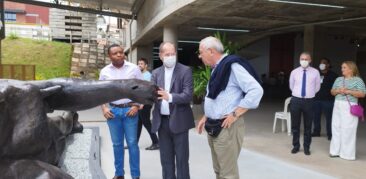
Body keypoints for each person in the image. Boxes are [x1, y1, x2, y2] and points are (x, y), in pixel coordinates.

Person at [197, 36, 263, 179]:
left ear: (211, 51)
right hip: (213, 125)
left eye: (201, 52)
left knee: (228, 174)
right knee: (219, 170)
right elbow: (216, 97)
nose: (199, 56)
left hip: (227, 128)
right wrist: (206, 116)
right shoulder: (218, 68)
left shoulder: (232, 66)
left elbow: (256, 90)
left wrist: (236, 113)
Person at [151, 42, 195, 179]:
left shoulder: (185, 70)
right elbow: (151, 94)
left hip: (180, 122)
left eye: (173, 54)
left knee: (182, 160)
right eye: (167, 54)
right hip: (162, 123)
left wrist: (169, 97)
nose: (171, 56)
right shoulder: (156, 73)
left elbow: (188, 95)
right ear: (161, 56)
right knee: (166, 160)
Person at [99, 44, 142, 179]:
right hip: (113, 112)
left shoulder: (134, 69)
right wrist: (104, 108)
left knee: (132, 144)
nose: (119, 55)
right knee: (117, 144)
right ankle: (119, 174)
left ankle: (135, 175)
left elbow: (142, 89)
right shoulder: (105, 71)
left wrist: (136, 106)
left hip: (130, 111)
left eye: (121, 52)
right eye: (115, 53)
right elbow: (98, 92)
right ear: (109, 56)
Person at [329, 61, 366, 160]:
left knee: (348, 129)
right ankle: (334, 151)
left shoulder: (358, 80)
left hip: (349, 106)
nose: (342, 69)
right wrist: (338, 90)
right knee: (336, 127)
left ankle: (347, 154)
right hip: (337, 105)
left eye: (344, 67)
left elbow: (362, 94)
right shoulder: (338, 79)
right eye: (342, 67)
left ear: (351, 69)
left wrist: (348, 91)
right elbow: (332, 91)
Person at [289, 52, 321, 155]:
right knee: (295, 125)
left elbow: (317, 87)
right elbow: (291, 86)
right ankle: (296, 146)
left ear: (310, 60)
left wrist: (308, 94)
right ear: (299, 60)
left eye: (306, 59)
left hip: (309, 101)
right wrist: (298, 94)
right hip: (296, 100)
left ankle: (306, 147)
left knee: (308, 126)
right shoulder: (294, 72)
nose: (304, 61)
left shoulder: (315, 72)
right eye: (302, 59)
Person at [312, 58, 338, 140]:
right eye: (321, 63)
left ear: (328, 65)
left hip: (328, 100)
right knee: (316, 117)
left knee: (329, 118)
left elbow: (336, 88)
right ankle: (316, 132)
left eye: (324, 63)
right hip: (316, 99)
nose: (322, 64)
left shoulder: (334, 75)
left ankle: (330, 134)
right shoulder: (316, 74)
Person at [137, 57, 159, 150]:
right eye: (138, 64)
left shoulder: (148, 76)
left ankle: (156, 142)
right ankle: (133, 143)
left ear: (146, 65)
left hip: (145, 103)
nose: (139, 65)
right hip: (141, 102)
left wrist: (142, 103)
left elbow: (148, 91)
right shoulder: (140, 75)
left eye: (141, 64)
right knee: (138, 123)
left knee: (147, 123)